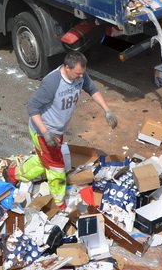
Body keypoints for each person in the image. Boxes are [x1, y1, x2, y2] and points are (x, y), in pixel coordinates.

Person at [6, 52, 118, 206]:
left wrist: (107, 110)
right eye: (77, 74)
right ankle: (59, 203)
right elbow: (33, 109)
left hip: (57, 131)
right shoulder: (52, 83)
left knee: (43, 161)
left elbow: (92, 89)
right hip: (43, 131)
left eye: (82, 74)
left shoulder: (80, 76)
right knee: (56, 168)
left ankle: (13, 174)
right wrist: (45, 133)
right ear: (67, 68)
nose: (81, 78)